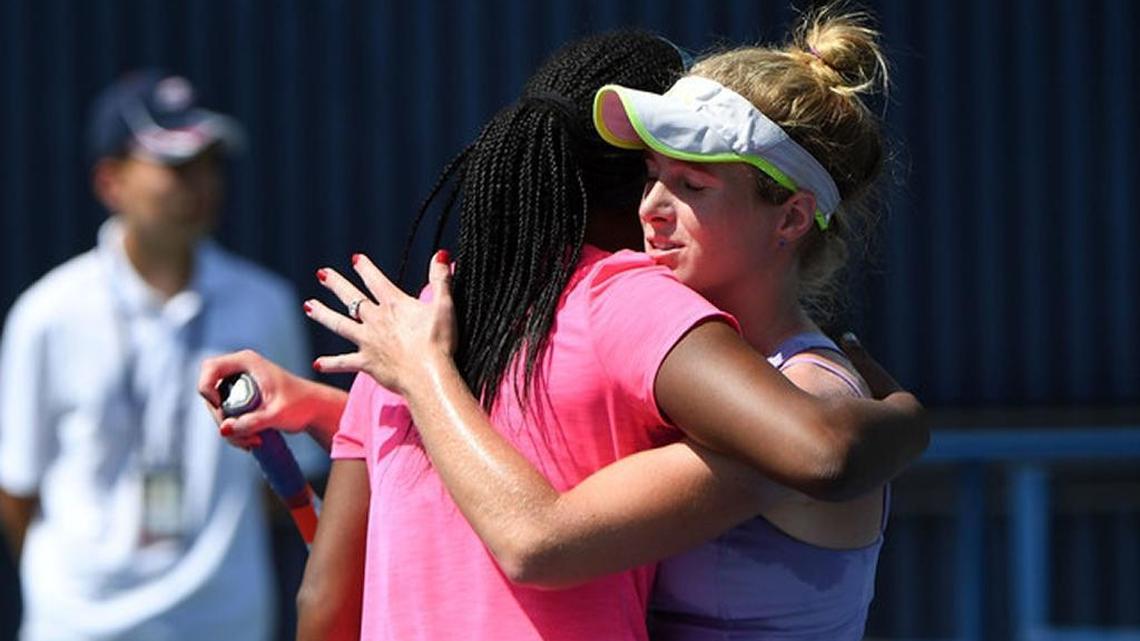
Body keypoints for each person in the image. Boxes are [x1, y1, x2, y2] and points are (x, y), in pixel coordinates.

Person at [201, 28, 924, 641]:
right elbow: (559, 456)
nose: (653, 210)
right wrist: (334, 410)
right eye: (650, 178)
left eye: (693, 187)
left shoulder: (800, 405)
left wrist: (423, 375)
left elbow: (539, 536)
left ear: (792, 219)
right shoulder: (704, 389)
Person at [0, 70, 320, 641]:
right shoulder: (46, 314)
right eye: (175, 166)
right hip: (80, 625)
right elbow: (17, 490)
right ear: (110, 181)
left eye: (209, 163)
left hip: (224, 624)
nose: (200, 184)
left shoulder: (264, 305)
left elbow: (292, 483)